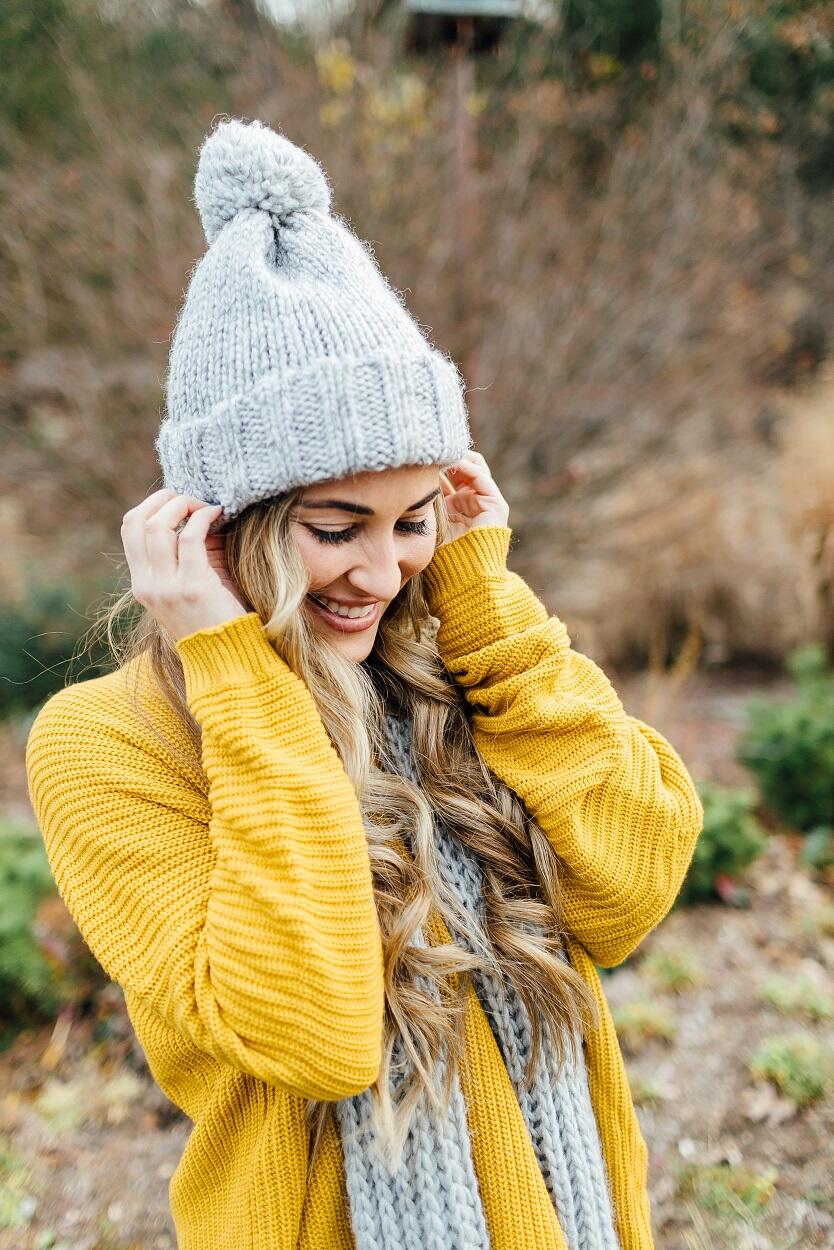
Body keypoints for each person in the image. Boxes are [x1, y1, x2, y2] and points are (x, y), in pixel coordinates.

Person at [25, 118, 704, 1250]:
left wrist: (485, 599)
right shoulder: (107, 745)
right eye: (336, 527)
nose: (384, 571)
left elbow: (629, 887)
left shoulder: (456, 663)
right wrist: (237, 669)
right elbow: (317, 1031)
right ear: (214, 526)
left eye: (413, 519)